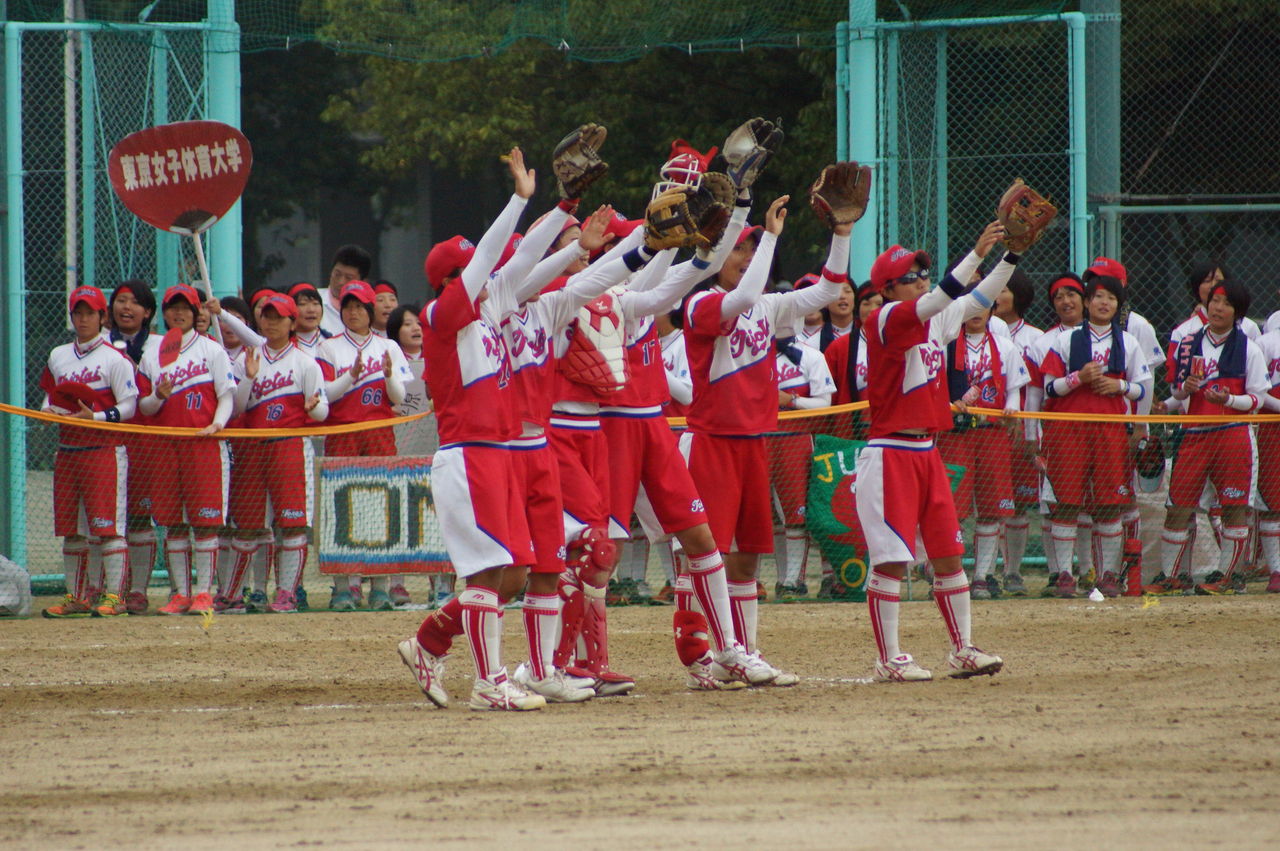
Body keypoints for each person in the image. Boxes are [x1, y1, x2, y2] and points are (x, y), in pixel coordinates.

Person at [397, 147, 546, 712]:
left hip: (497, 454)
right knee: (488, 575)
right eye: (470, 270)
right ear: (452, 279)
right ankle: (489, 684)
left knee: (514, 575)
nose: (486, 274)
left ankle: (430, 641)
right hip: (467, 455)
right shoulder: (440, 317)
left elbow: (522, 258)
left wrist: (561, 208)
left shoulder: (484, 316)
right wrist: (517, 200)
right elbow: (489, 260)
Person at [681, 186, 848, 684]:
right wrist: (770, 235)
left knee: (749, 554)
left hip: (754, 441)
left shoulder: (768, 306)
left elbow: (825, 292)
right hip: (713, 441)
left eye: (751, 248)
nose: (747, 254)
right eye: (738, 247)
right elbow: (744, 296)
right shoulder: (700, 305)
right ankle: (701, 652)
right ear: (712, 255)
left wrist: (842, 235)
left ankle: (743, 651)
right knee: (709, 554)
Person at [855, 219, 1015, 683]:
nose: (921, 278)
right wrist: (976, 253)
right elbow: (945, 295)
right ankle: (889, 658)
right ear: (888, 289)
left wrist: (1012, 257)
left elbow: (979, 298)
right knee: (890, 559)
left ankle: (962, 649)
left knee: (948, 553)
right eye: (910, 275)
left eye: (923, 272)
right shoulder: (883, 319)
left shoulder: (930, 318)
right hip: (889, 453)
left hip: (927, 451)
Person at [1037, 275, 1154, 598]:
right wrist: (1078, 377)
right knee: (1066, 502)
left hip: (1110, 429)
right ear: (1087, 303)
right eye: (1098, 297)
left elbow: (1143, 387)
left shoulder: (1128, 342)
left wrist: (1120, 387)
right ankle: (1064, 575)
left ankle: (1108, 575)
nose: (1104, 303)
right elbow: (1049, 387)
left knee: (1109, 504)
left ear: (1118, 306)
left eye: (1111, 299)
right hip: (1069, 429)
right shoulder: (1065, 340)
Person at [1158, 279, 1268, 595]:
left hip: (1233, 434)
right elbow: (1177, 392)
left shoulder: (1249, 347)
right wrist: (1185, 389)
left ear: (1238, 312)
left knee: (1234, 505)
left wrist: (1229, 401)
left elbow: (1257, 399)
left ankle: (1229, 575)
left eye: (1226, 303)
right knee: (1177, 505)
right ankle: (1172, 575)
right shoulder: (1189, 343)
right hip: (1193, 432)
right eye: (1215, 300)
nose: (1218, 307)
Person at [39, 286, 140, 618]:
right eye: (77, 313)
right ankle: (77, 596)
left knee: (108, 527)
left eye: (89, 313)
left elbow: (129, 406)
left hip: (103, 450)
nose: (83, 319)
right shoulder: (59, 355)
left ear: (102, 317)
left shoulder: (115, 358)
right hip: (67, 450)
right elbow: (49, 397)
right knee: (72, 529)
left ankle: (114, 596)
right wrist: (46, 413)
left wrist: (94, 417)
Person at [136, 284, 237, 615]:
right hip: (166, 447)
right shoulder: (153, 354)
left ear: (197, 314)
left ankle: (205, 592)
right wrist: (159, 395)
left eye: (185, 308)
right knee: (174, 522)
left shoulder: (212, 350)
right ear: (163, 313)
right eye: (172, 307)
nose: (178, 313)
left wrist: (218, 424)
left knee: (205, 522)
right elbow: (146, 408)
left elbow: (226, 395)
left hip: (203, 444)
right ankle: (181, 593)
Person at [227, 294, 330, 612]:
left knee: (293, 523)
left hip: (290, 447)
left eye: (279, 317)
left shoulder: (305, 363)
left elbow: (323, 411)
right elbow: (238, 408)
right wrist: (249, 378)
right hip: (254, 447)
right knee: (248, 524)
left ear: (292, 322)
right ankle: (235, 593)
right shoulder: (248, 357)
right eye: (267, 316)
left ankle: (286, 592)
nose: (272, 322)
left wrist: (313, 409)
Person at [316, 279, 412, 611]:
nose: (353, 312)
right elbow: (325, 394)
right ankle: (345, 586)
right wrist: (351, 376)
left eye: (359, 306)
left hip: (379, 433)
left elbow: (400, 397)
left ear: (371, 311)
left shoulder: (389, 347)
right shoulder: (329, 348)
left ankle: (380, 585)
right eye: (348, 306)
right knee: (342, 511)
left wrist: (387, 376)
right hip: (342, 433)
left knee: (379, 509)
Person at [938, 299, 1029, 599]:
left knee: (991, 509)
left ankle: (982, 575)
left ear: (991, 312)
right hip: (957, 432)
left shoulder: (1005, 346)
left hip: (993, 432)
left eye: (983, 307)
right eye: (970, 307)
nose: (976, 314)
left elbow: (1015, 387)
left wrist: (1012, 410)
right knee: (955, 507)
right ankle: (953, 573)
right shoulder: (946, 344)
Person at [1023, 273, 1090, 596]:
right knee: (1056, 502)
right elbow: (1036, 394)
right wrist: (1031, 434)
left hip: (1100, 430)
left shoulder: (1111, 335)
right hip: (1057, 432)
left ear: (1084, 299)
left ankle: (1090, 571)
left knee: (1096, 503)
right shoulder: (1043, 342)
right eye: (1059, 296)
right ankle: (1058, 573)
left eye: (1072, 294)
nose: (1066, 301)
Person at [108, 280, 162, 613]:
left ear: (148, 312)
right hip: (108, 441)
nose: (126, 308)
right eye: (120, 301)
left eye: (134, 302)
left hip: (145, 441)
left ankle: (138, 590)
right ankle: (106, 590)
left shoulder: (160, 346)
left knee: (141, 518)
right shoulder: (98, 344)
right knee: (107, 522)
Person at [769, 330, 835, 599]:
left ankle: (793, 580)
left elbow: (825, 402)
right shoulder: (749, 353)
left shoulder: (810, 355)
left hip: (795, 439)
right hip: (756, 437)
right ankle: (779, 578)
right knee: (767, 514)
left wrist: (792, 400)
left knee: (795, 514)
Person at [990, 269, 1042, 594]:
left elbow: (1035, 389)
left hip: (1020, 427)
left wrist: (1030, 431)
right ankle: (987, 572)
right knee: (991, 502)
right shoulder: (969, 332)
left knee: (1019, 503)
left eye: (1003, 289)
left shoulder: (1035, 337)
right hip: (988, 429)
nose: (996, 295)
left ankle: (1012, 571)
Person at [1255, 325, 1280, 593]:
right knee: (1274, 499)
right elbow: (1258, 390)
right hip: (1273, 425)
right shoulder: (1267, 342)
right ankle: (1277, 569)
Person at [322, 245, 373, 336]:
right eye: (337, 274)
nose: (341, 282)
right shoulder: (314, 302)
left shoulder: (371, 308)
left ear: (363, 281)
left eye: (349, 278)